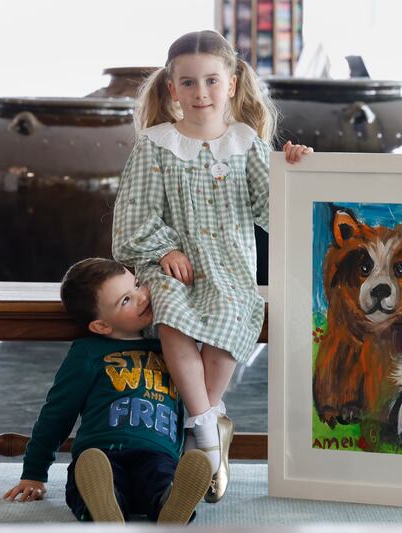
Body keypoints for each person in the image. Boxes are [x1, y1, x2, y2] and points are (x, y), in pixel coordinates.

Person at [112, 30, 312, 503]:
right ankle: (206, 432)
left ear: (233, 82)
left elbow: (274, 210)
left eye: (211, 81)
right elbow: (134, 218)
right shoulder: (155, 146)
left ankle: (196, 428)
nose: (200, 93)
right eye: (188, 83)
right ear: (171, 88)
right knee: (171, 315)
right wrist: (165, 252)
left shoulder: (247, 145)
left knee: (231, 315)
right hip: (172, 268)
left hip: (230, 271)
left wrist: (295, 168)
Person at [3, 258, 212, 524]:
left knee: (162, 478)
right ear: (102, 325)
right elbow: (56, 414)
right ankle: (103, 504)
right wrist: (34, 473)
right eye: (125, 300)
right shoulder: (88, 353)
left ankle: (171, 504)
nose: (141, 296)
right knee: (89, 478)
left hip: (156, 454)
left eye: (137, 284)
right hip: (102, 455)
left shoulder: (172, 348)